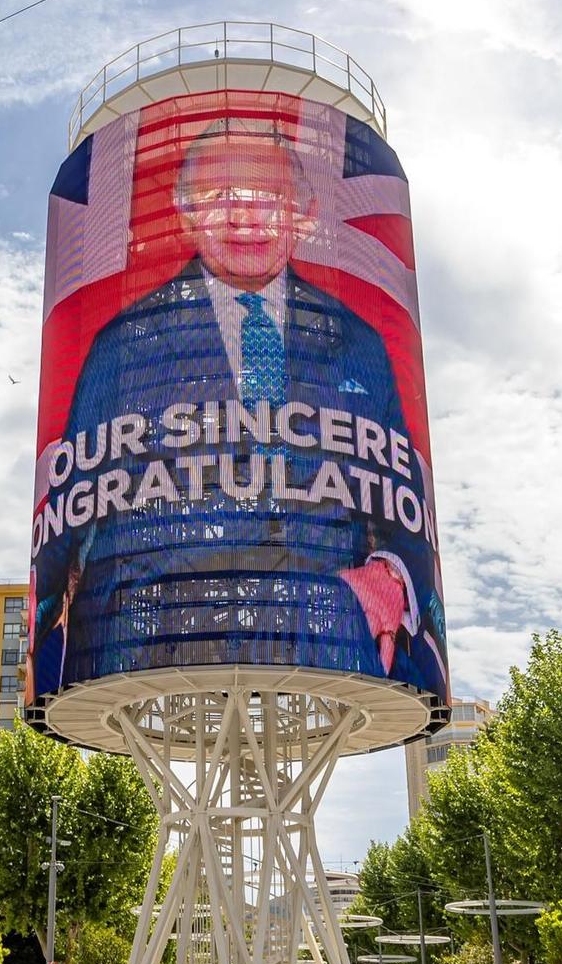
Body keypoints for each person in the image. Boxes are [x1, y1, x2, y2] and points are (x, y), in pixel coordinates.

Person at [30, 117, 447, 704]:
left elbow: (402, 495)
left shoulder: (357, 342)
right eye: (221, 196)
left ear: (302, 211)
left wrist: (391, 575)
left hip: (329, 628)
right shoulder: (125, 344)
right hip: (150, 634)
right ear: (184, 209)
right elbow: (66, 519)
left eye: (268, 198)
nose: (246, 218)